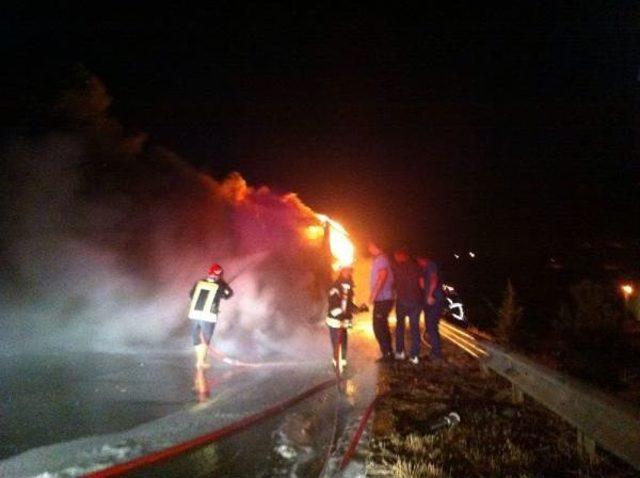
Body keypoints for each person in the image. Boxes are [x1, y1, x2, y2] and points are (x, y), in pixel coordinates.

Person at [188, 263, 233, 369]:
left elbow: (191, 295)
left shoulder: (199, 283)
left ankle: (199, 360)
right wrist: (223, 284)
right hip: (208, 317)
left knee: (197, 338)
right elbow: (228, 294)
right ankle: (201, 362)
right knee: (206, 339)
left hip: (194, 315)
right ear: (219, 275)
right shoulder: (220, 285)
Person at [326, 265, 366, 371]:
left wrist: (358, 309)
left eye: (350, 271)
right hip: (335, 319)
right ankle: (336, 364)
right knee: (336, 341)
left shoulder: (348, 286)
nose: (349, 273)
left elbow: (348, 304)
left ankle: (343, 362)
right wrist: (340, 313)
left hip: (343, 319)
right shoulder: (335, 286)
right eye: (347, 271)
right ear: (342, 272)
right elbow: (333, 303)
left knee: (343, 340)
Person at [391, 248, 424, 365]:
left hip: (402, 301)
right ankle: (414, 356)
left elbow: (393, 284)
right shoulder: (417, 267)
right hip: (416, 302)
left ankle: (400, 352)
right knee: (414, 328)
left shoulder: (398, 267)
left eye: (396, 256)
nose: (395, 258)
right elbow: (422, 284)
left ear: (401, 255)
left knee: (400, 326)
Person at [368, 241, 395, 361]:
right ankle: (388, 353)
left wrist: (374, 294)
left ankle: (387, 354)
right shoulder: (380, 259)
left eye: (370, 245)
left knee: (378, 327)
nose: (369, 248)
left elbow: (382, 276)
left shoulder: (381, 259)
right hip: (383, 299)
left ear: (376, 246)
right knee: (382, 326)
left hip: (383, 299)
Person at [418, 255, 444, 362]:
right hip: (428, 301)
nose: (418, 262)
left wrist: (430, 294)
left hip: (434, 299)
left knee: (432, 326)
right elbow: (423, 284)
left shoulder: (431, 265)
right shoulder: (423, 269)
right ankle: (434, 352)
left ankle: (437, 354)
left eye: (419, 260)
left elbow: (434, 279)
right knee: (429, 326)